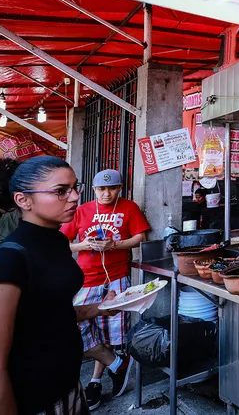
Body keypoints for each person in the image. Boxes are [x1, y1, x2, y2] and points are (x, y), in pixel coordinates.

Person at [0, 155, 122, 415]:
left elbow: (49, 312)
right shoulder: (7, 260)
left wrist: (100, 307)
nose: (75, 197)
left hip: (69, 389)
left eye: (75, 187)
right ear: (23, 200)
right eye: (61, 191)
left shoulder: (58, 243)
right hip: (31, 400)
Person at [61, 169, 149, 410]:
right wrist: (84, 244)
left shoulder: (129, 207)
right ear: (93, 190)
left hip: (116, 278)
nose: (106, 193)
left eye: (112, 188)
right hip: (86, 280)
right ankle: (116, 364)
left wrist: (115, 244)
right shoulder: (82, 210)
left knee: (109, 334)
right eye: (101, 189)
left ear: (120, 188)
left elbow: (141, 236)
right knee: (74, 327)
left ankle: (95, 382)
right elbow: (62, 243)